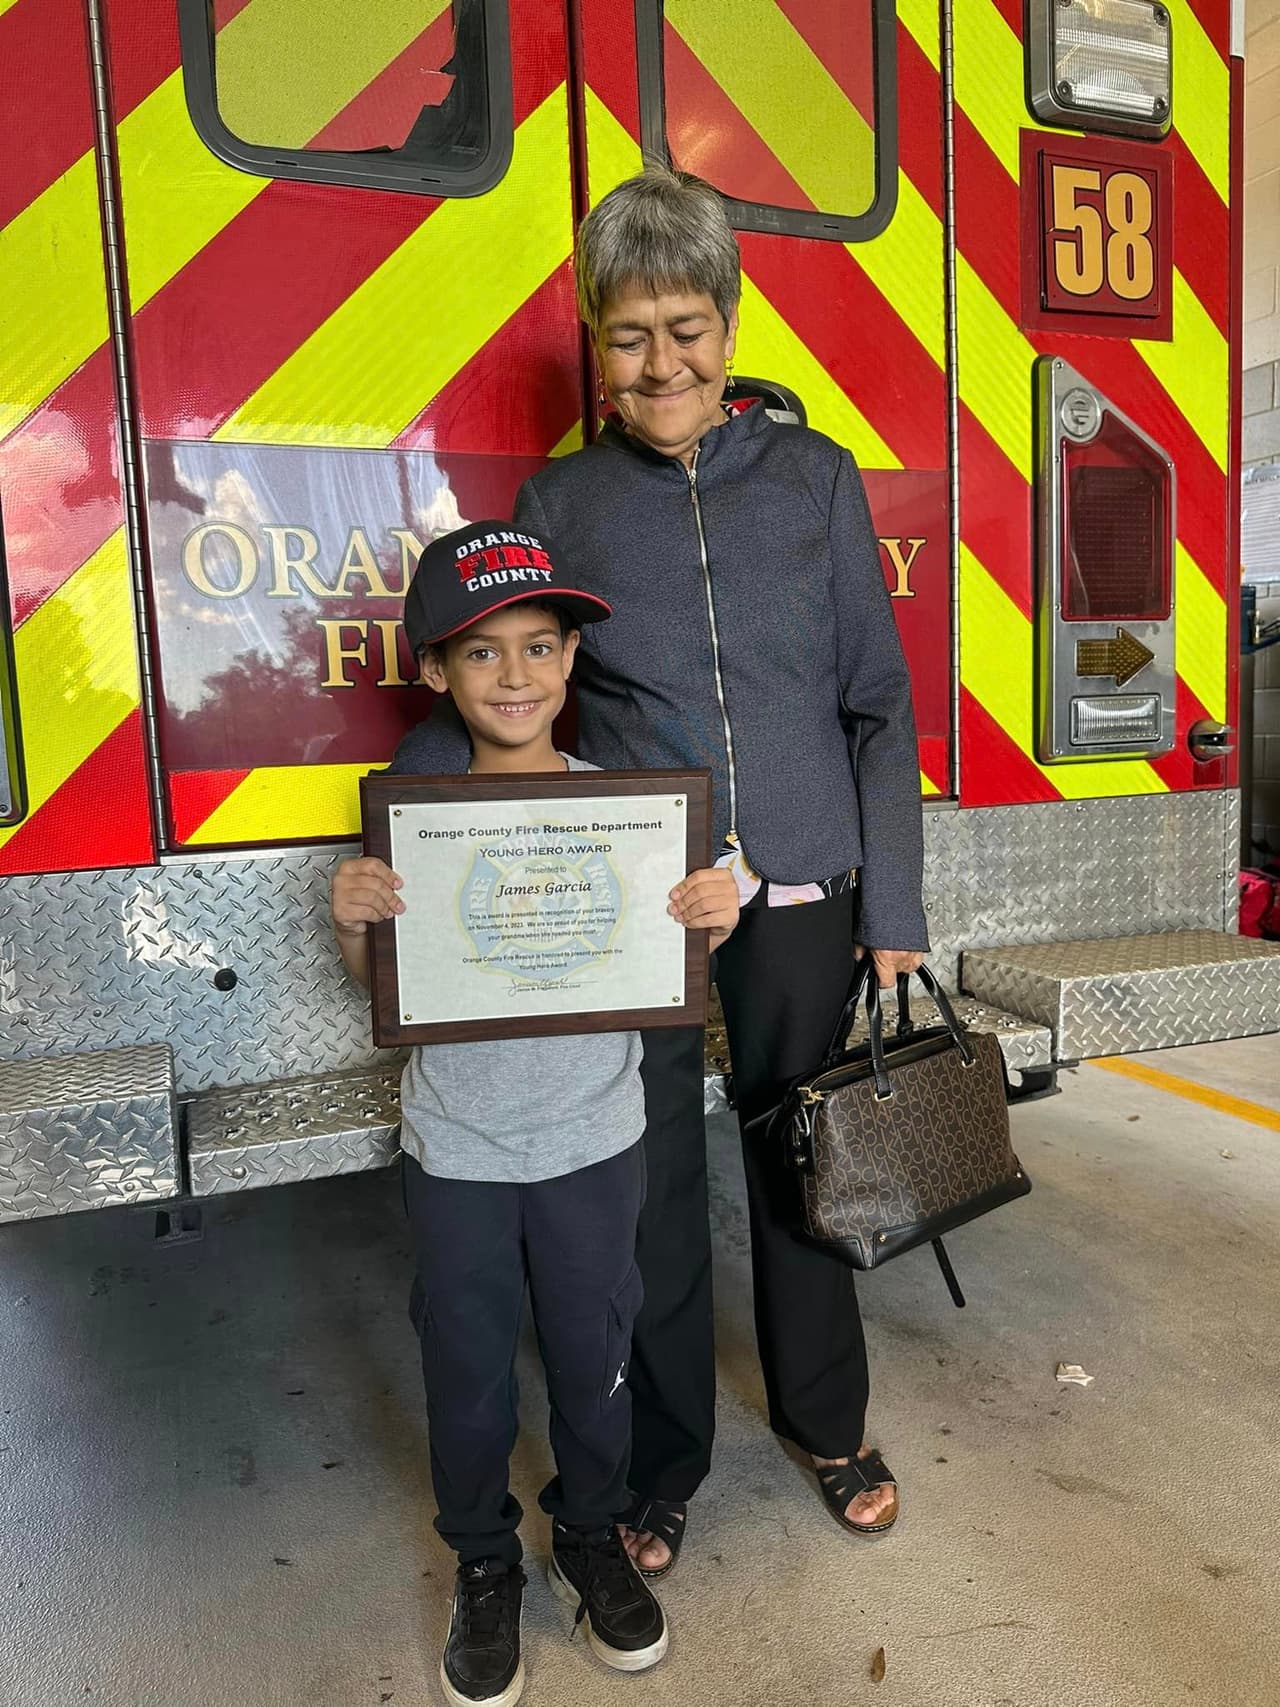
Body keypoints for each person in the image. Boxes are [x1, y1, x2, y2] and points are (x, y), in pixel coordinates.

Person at [399, 166, 930, 1577]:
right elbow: (500, 688)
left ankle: (828, 1422)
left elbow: (878, 702)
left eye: (685, 329)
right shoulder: (561, 499)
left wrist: (894, 903)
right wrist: (405, 829)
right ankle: (660, 1461)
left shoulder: (814, 479)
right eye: (628, 336)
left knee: (806, 1163)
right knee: (644, 1193)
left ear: (730, 326)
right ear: (596, 341)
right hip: (632, 906)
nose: (660, 364)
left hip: (803, 884)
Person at [329, 520, 739, 1707]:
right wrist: (353, 921)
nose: (515, 676)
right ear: (435, 670)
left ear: (570, 661)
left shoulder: (629, 814)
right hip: (456, 1146)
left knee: (593, 1355)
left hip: (594, 1142)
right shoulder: (413, 819)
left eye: (540, 647)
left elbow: (668, 955)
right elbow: (382, 985)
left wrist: (711, 914)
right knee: (466, 1369)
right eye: (481, 652)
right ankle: (484, 1561)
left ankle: (591, 1535)